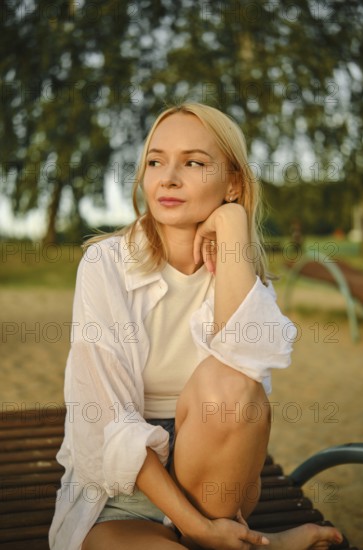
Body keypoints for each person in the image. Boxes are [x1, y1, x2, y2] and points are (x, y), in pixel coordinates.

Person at [49, 103, 343, 550]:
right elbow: (107, 422)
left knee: (230, 382)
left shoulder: (238, 269)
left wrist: (232, 224)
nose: (167, 177)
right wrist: (196, 527)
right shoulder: (105, 264)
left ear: (233, 182)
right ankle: (246, 542)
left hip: (213, 481)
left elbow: (250, 375)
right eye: (155, 161)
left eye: (193, 162)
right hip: (119, 489)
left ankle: (225, 533)